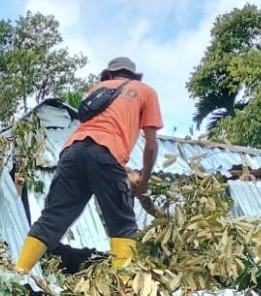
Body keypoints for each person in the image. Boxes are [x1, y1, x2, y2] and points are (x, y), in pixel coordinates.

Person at [14, 56, 163, 272]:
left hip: (72, 151)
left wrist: (123, 170)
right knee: (123, 225)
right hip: (106, 154)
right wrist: (144, 182)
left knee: (52, 218)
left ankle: (17, 275)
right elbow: (150, 146)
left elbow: (94, 140)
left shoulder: (97, 88)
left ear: (109, 76)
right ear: (134, 76)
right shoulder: (146, 91)